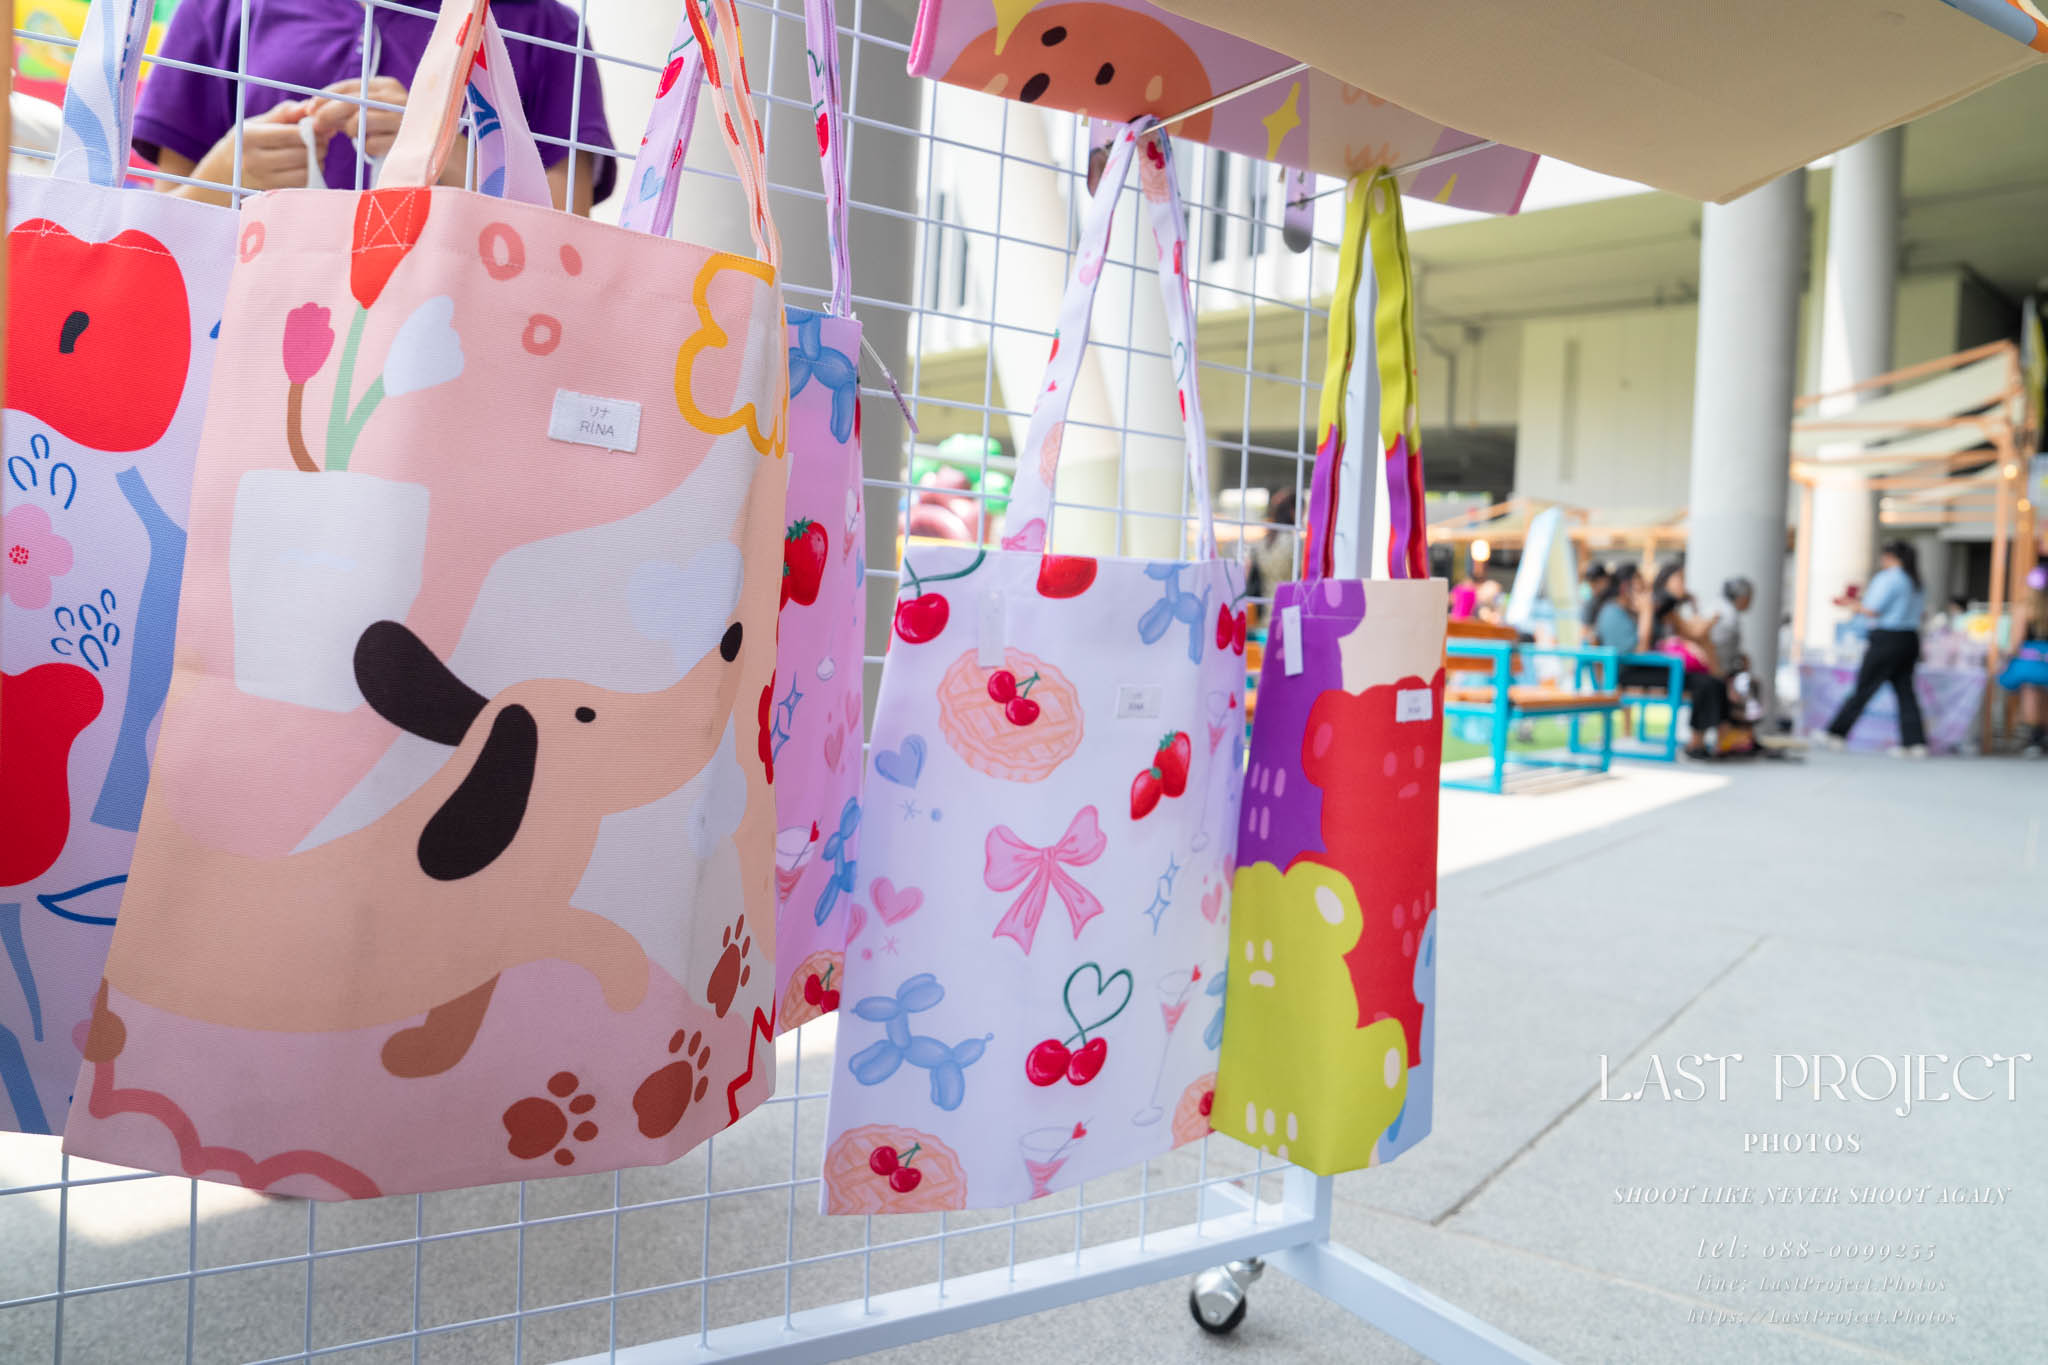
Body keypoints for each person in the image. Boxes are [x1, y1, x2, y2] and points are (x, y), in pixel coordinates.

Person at [132, 0, 615, 213]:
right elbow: (166, 231)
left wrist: (445, 155)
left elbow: (566, 245)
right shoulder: (218, 8)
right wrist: (229, 173)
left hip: (456, 356)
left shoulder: (549, 29)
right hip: (243, 338)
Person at [1822, 541, 1928, 757]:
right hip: (1909, 639)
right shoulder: (1916, 580)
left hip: (1887, 638)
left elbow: (1872, 609)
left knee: (1864, 686)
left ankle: (1836, 733)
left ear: (1890, 557)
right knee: (1905, 692)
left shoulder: (1888, 578)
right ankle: (1915, 743)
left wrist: (1850, 603)